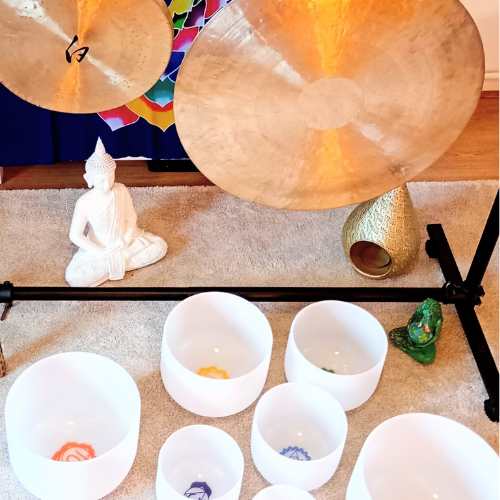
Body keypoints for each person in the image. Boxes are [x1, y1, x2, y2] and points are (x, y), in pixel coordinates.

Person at [65, 138, 167, 287]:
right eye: (101, 181)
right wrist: (101, 252)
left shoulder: (120, 190)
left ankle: (115, 263)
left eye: (110, 178)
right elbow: (75, 235)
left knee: (159, 246)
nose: (107, 185)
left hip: (124, 243)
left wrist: (125, 238)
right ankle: (120, 261)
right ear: (89, 179)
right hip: (99, 250)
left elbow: (130, 217)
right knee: (75, 277)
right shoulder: (84, 202)